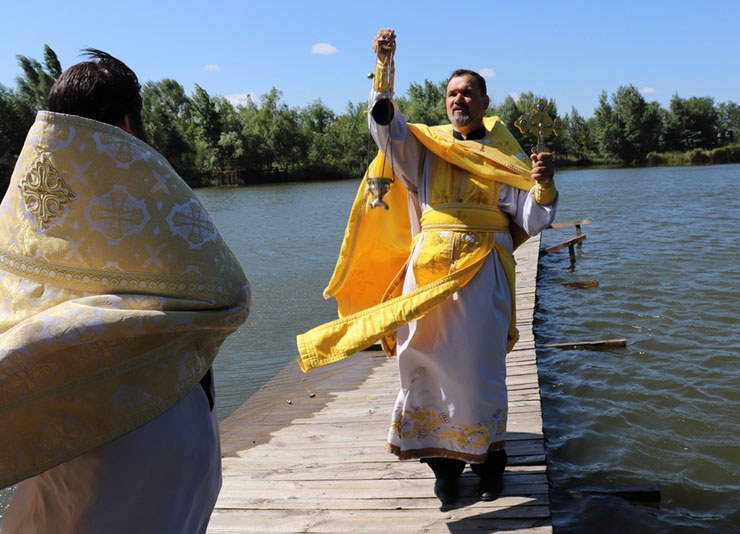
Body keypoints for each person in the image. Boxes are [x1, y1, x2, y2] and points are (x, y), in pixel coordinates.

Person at [297, 29, 557, 505]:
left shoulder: (504, 156)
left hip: (482, 276)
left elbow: (532, 218)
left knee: (480, 370)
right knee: (423, 365)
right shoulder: (426, 148)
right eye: (452, 93)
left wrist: (542, 186)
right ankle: (444, 468)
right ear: (446, 103)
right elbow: (386, 129)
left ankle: (490, 465)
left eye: (468, 92)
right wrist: (384, 70)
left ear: (484, 102)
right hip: (428, 276)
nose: (460, 99)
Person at [0, 50, 250, 533]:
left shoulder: (24, 209)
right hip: (153, 411)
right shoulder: (150, 195)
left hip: (54, 419)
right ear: (127, 124)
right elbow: (229, 292)